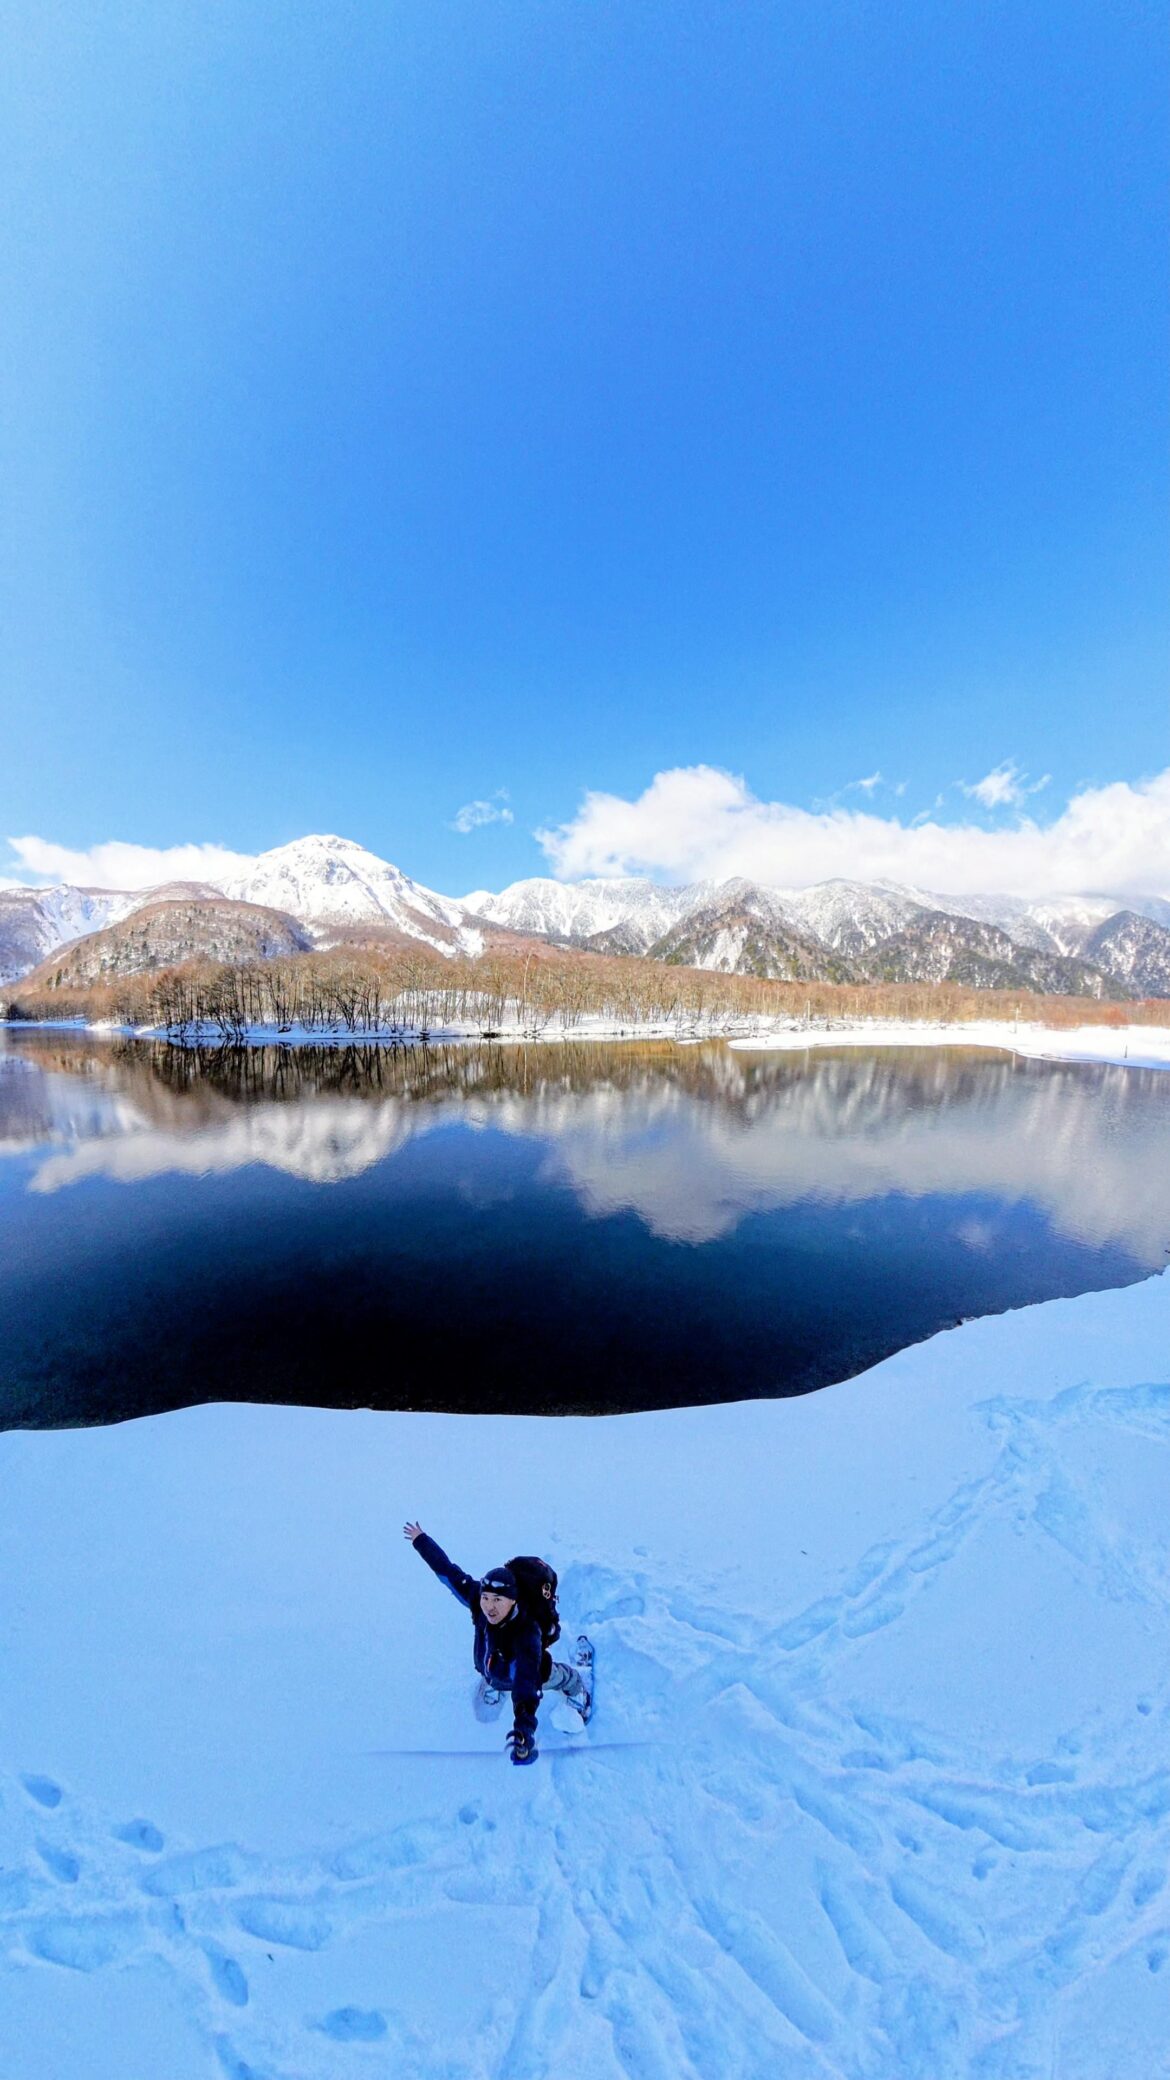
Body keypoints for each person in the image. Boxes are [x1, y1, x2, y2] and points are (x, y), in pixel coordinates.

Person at [403, 1522, 589, 1764]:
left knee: (555, 1676)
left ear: (513, 1601)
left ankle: (576, 1686)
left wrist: (524, 1730)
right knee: (490, 1672)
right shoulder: (478, 1602)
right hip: (491, 1666)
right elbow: (448, 1572)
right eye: (486, 1598)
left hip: (531, 1673)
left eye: (498, 1600)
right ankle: (494, 1683)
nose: (489, 1606)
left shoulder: (527, 1633)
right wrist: (421, 1540)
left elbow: (526, 1687)